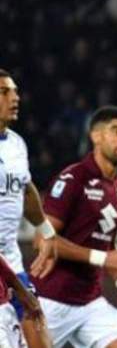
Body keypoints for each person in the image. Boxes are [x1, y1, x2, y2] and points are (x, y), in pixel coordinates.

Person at [34, 106, 117, 348]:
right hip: (52, 300)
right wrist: (104, 258)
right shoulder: (73, 179)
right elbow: (42, 240)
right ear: (96, 136)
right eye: (115, 131)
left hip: (91, 304)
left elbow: (108, 248)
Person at [0, 70, 57, 348]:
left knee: (40, 335)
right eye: (4, 92)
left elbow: (26, 187)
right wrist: (19, 289)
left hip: (11, 262)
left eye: (15, 91)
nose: (15, 98)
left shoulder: (16, 144)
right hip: (5, 274)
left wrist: (47, 231)